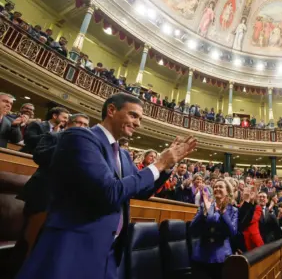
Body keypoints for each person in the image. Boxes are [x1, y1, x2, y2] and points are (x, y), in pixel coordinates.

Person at [16, 93, 197, 279]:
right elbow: (109, 192)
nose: (138, 124)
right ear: (111, 110)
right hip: (72, 246)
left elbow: (141, 190)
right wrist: (158, 163)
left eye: (140, 119)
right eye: (133, 115)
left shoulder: (124, 155)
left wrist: (166, 167)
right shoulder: (80, 137)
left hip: (109, 251)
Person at [14, 113, 90, 268]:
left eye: (85, 125)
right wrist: (67, 143)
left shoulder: (85, 147)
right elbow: (39, 156)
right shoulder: (53, 136)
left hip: (63, 200)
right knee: (28, 239)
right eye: (79, 123)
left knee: (48, 245)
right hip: (42, 194)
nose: (82, 127)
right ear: (68, 124)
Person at [190, 179, 238, 279]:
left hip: (221, 257)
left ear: (227, 191)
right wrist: (204, 213)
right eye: (215, 187)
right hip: (201, 256)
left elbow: (232, 233)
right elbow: (192, 229)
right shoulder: (205, 206)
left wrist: (223, 212)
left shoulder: (233, 210)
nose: (217, 188)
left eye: (220, 186)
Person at [237, 187, 263, 252]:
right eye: (247, 191)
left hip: (253, 240)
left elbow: (249, 220)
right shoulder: (238, 207)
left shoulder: (257, 207)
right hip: (242, 239)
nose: (249, 194)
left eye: (251, 192)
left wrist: (250, 201)